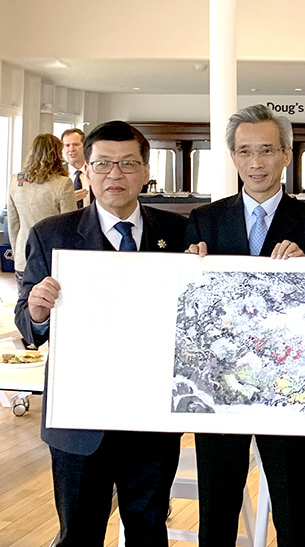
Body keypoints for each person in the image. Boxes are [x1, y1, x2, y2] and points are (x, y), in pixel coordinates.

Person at [14, 120, 186, 547]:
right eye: (103, 164)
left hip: (151, 414)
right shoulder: (52, 234)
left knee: (148, 530)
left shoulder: (179, 233)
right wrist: (37, 311)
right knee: (79, 533)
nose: (115, 174)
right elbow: (28, 325)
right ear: (86, 171)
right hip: (79, 417)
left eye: (128, 163)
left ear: (146, 171)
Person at [185, 104, 305, 547]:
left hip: (287, 386)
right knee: (216, 511)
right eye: (245, 151)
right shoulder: (204, 221)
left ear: (286, 154)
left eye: (267, 150)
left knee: (292, 512)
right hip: (220, 387)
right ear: (233, 156)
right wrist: (190, 271)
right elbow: (191, 309)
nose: (256, 162)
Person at [8, 134, 76, 296]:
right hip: (51, 257)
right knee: (52, 305)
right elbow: (70, 226)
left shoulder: (16, 181)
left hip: (23, 255)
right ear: (57, 154)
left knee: (24, 302)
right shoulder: (63, 183)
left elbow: (13, 222)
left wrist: (16, 251)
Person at [62, 128, 91, 209]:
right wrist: (68, 200)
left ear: (85, 146)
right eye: (67, 145)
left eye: (76, 144)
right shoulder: (57, 174)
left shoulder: (94, 171)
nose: (71, 149)